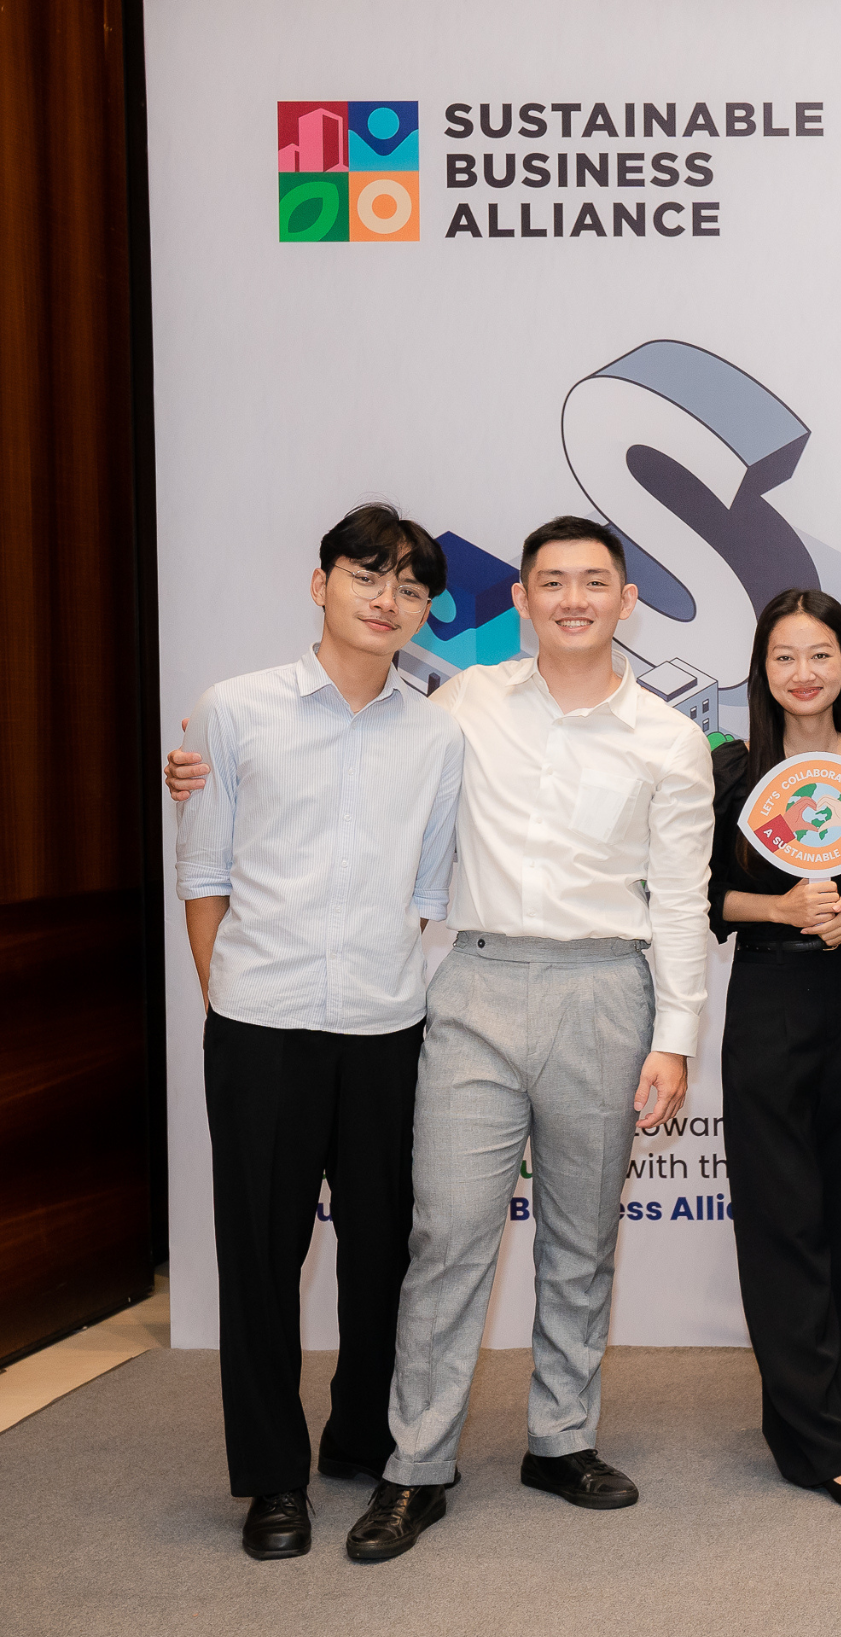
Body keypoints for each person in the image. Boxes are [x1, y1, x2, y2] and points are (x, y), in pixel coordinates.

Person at [181, 515, 715, 1557]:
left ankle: (561, 1440)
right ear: (519, 599)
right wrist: (194, 770)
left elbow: (682, 898)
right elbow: (315, 781)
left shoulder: (669, 737)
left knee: (581, 1238)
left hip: (605, 988)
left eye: (594, 582)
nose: (572, 599)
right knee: (446, 1238)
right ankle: (413, 1464)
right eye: (551, 581)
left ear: (627, 601)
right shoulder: (460, 704)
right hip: (470, 985)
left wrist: (677, 1032)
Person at [173, 504, 464, 1560]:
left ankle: (359, 1437)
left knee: (382, 1252)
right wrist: (230, 1000)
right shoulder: (234, 710)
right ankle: (271, 1477)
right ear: (321, 583)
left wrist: (372, 979)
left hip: (386, 1024)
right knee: (260, 1255)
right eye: (366, 575)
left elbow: (427, 893)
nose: (387, 599)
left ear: (424, 612)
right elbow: (204, 872)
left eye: (409, 587)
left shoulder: (436, 733)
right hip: (262, 1025)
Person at [708, 589, 841, 1511]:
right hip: (769, 995)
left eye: (820, 654)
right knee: (781, 1214)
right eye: (785, 656)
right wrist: (782, 906)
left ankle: (813, 1411)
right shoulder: (732, 769)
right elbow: (701, 894)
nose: (804, 673)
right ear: (763, 669)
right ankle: (834, 1438)